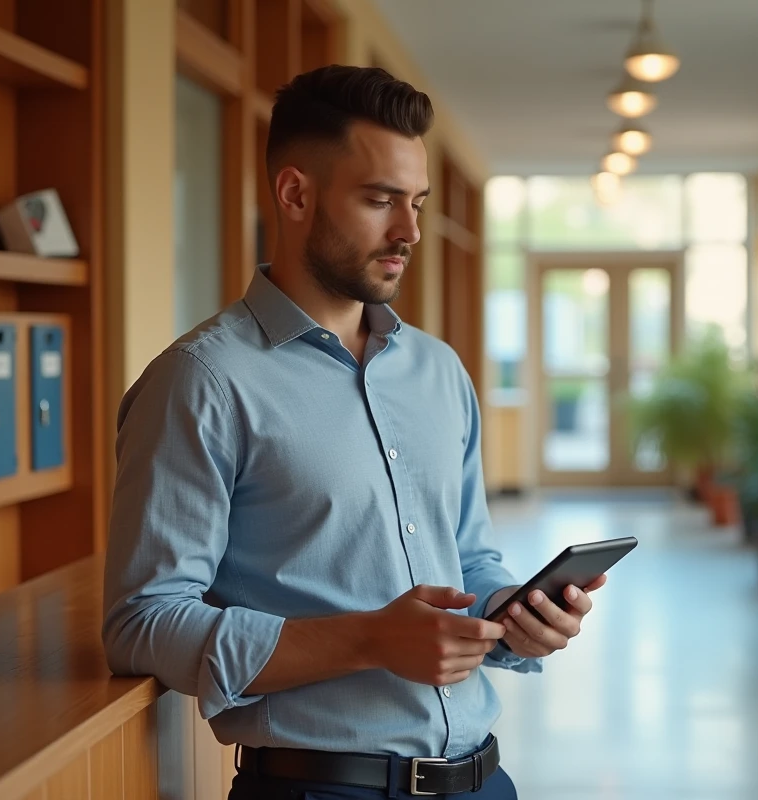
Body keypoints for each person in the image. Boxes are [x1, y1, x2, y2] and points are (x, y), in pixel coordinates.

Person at [101, 64, 607, 799]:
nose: (408, 231)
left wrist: (513, 613)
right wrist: (368, 638)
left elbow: (467, 557)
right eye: (380, 201)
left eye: (418, 203)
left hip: (484, 780)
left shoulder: (439, 372)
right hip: (320, 787)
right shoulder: (200, 382)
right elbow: (142, 623)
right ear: (295, 193)